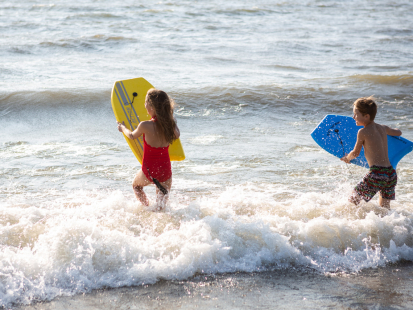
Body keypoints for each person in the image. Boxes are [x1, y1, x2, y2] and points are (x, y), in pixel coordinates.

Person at [117, 89, 180, 210]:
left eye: (146, 103)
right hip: (166, 171)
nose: (145, 106)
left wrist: (122, 128)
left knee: (136, 186)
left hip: (150, 171)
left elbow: (131, 136)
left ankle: (146, 209)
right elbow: (177, 135)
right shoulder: (170, 126)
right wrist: (170, 118)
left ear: (151, 106)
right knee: (161, 208)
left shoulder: (145, 125)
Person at [340, 96, 402, 209]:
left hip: (377, 174)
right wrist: (393, 130)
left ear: (366, 116)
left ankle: (353, 224)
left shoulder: (362, 132)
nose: (353, 117)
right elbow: (398, 132)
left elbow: (355, 153)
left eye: (356, 114)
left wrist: (347, 158)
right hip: (390, 174)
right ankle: (389, 225)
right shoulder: (383, 128)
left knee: (352, 201)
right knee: (385, 209)